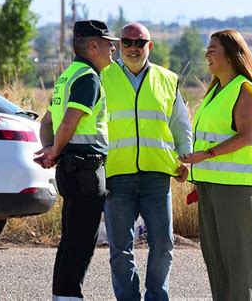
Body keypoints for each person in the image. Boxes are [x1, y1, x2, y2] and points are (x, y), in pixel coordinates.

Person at [101, 22, 192, 301]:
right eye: (127, 42)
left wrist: (185, 157)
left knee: (164, 243)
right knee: (120, 248)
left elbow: (180, 124)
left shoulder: (167, 79)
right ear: (118, 46)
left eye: (139, 43)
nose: (133, 48)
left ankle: (156, 297)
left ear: (149, 46)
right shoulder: (102, 77)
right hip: (116, 174)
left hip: (157, 173)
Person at [179, 29, 252, 301]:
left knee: (238, 259)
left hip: (233, 188)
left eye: (213, 49)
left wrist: (207, 155)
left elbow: (245, 136)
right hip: (209, 184)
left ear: (230, 56)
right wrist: (190, 166)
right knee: (216, 257)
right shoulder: (216, 90)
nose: (207, 54)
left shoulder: (243, 88)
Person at [35, 20, 118, 300]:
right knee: (81, 241)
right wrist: (53, 151)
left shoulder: (68, 75)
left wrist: (50, 149)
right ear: (93, 45)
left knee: (71, 240)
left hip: (71, 169)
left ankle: (63, 295)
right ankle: (69, 296)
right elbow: (69, 122)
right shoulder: (88, 77)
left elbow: (45, 122)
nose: (113, 48)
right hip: (86, 169)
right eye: (109, 43)